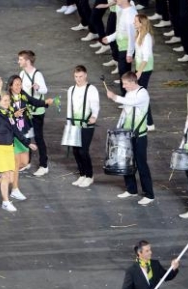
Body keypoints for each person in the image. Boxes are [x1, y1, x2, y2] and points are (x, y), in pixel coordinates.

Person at [0, 75, 52, 201]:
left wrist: (45, 103)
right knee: (15, 164)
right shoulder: (7, 98)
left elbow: (33, 101)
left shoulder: (22, 94)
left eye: (20, 84)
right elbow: (1, 114)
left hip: (23, 131)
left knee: (24, 162)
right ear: (10, 86)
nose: (19, 86)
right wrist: (14, 115)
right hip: (13, 133)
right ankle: (15, 189)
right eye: (16, 84)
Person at [0, 77, 37, 212]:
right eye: (5, 100)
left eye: (8, 100)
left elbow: (16, 131)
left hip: (9, 148)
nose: (8, 103)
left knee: (11, 177)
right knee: (6, 177)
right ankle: (5, 201)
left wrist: (28, 143)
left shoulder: (10, 115)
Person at [106, 72, 154, 205]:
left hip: (139, 135)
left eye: (125, 83)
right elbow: (125, 111)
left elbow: (131, 103)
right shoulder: (128, 93)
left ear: (133, 82)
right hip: (127, 134)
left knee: (141, 164)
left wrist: (115, 97)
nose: (123, 86)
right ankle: (131, 189)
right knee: (126, 162)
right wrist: (118, 128)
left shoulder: (142, 93)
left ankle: (149, 194)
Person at [66, 65, 100, 188]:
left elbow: (95, 105)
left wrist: (94, 116)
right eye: (76, 77)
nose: (78, 79)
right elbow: (70, 107)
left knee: (83, 150)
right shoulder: (71, 90)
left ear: (85, 75)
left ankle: (89, 176)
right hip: (74, 123)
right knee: (75, 151)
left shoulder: (91, 89)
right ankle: (82, 174)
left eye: (80, 76)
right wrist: (69, 123)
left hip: (86, 124)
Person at [18, 50, 50, 177]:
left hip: (37, 112)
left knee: (38, 137)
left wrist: (38, 88)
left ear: (27, 61)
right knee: (26, 136)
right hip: (26, 111)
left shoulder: (37, 75)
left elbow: (45, 89)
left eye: (20, 59)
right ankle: (27, 162)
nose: (18, 61)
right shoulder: (22, 73)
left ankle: (44, 165)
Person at [102, 0, 137, 94]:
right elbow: (121, 29)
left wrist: (129, 53)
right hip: (122, 47)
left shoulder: (130, 14)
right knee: (123, 74)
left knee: (125, 75)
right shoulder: (123, 9)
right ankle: (127, 97)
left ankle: (127, 98)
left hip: (126, 49)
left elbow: (132, 36)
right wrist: (110, 38)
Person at [134, 14, 155, 131]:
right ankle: (146, 120)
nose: (134, 23)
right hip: (140, 67)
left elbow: (146, 58)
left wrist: (139, 72)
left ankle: (149, 122)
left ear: (142, 23)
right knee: (140, 93)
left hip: (145, 68)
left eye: (136, 21)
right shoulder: (139, 35)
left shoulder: (146, 37)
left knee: (142, 94)